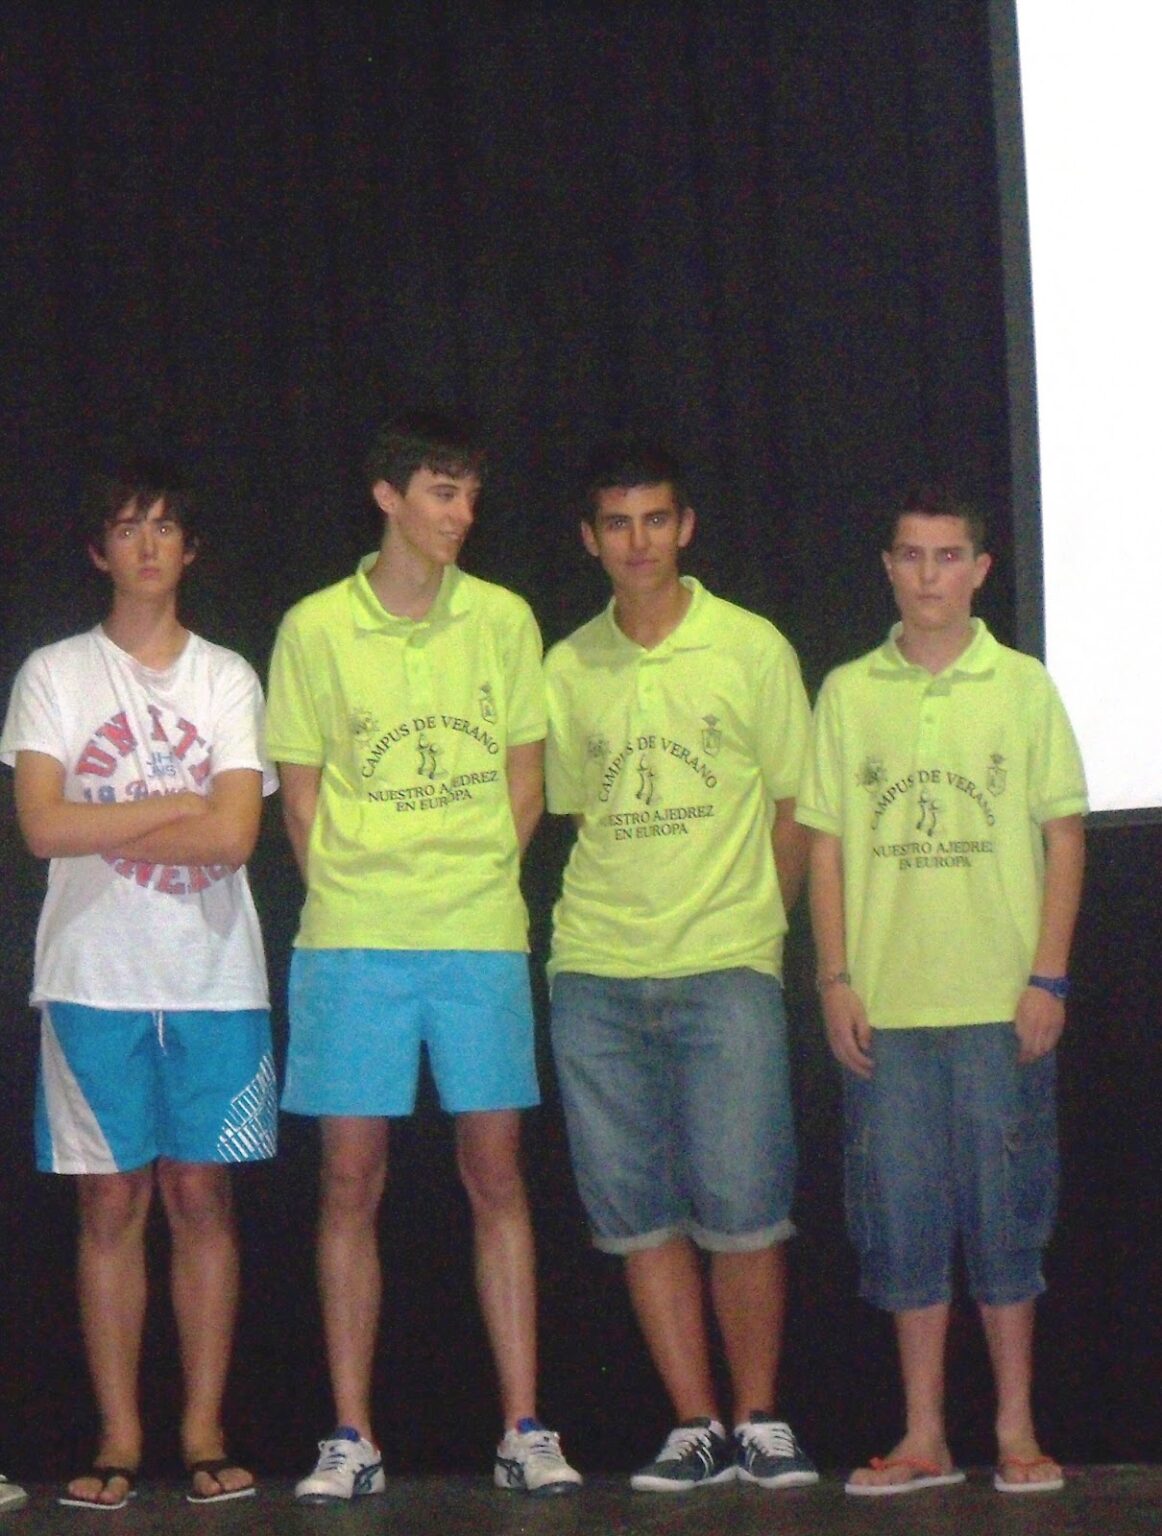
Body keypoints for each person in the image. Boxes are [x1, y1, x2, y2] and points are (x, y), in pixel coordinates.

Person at [266, 410, 581, 1501]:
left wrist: (473, 881)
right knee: (348, 1179)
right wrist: (360, 889)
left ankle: (524, 1428)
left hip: (476, 936)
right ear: (388, 496)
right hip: (354, 941)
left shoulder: (503, 619)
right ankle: (350, 1436)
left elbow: (528, 778)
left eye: (471, 496)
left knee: (496, 1173)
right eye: (443, 493)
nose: (462, 515)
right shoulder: (314, 627)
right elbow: (298, 798)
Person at [796, 484, 1086, 1497]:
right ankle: (922, 1434)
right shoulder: (846, 693)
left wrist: (1047, 974)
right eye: (911, 556)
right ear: (887, 567)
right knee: (901, 1224)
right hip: (888, 1011)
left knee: (1008, 1219)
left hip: (1002, 1006)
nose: (929, 575)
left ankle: (1015, 1428)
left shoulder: (1024, 688)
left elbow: (1063, 838)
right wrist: (833, 978)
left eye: (948, 556)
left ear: (980, 570)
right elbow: (824, 849)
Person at [1, 460, 278, 1509]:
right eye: (128, 527)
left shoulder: (227, 678)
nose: (149, 544)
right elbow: (43, 826)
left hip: (214, 977)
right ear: (98, 550)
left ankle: (203, 1429)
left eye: (166, 527)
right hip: (92, 977)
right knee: (110, 1202)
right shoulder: (53, 674)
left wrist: (112, 819)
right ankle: (117, 1436)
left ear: (191, 550)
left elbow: (236, 835)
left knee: (202, 1196)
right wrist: (175, 805)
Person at [544, 440, 818, 1493]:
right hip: (597, 972)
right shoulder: (566, 667)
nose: (638, 542)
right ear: (588, 539)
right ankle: (695, 1425)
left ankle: (761, 1420)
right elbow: (577, 814)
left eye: (655, 519)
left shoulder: (749, 647)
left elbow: (795, 806)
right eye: (617, 524)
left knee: (746, 1210)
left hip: (726, 964)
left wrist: (758, 929)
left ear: (685, 526)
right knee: (639, 1215)